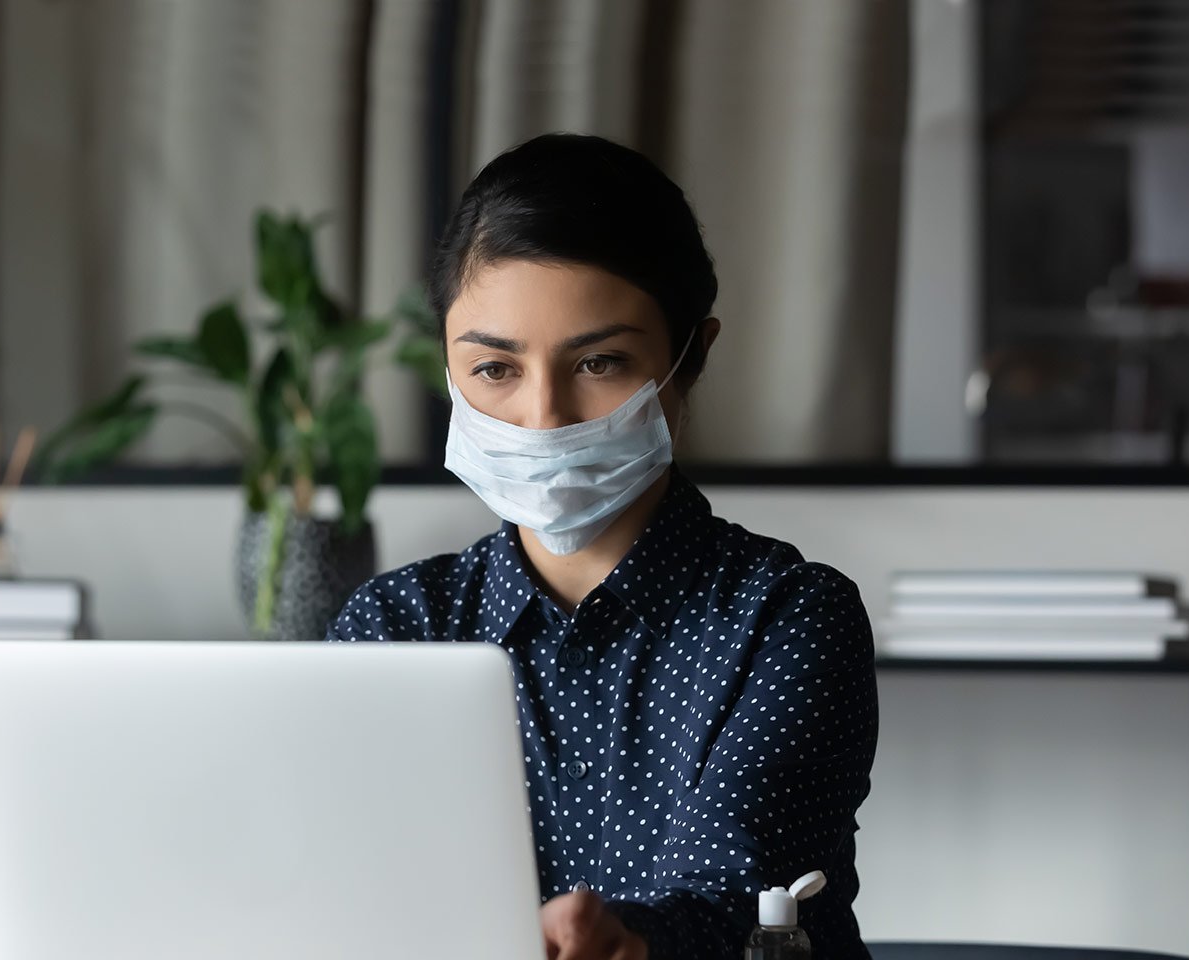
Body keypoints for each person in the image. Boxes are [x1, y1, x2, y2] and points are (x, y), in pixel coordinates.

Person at [327, 134, 878, 960]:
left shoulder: (789, 619)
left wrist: (631, 944)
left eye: (601, 362)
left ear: (692, 356)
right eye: (495, 370)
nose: (544, 415)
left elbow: (743, 904)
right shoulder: (392, 627)